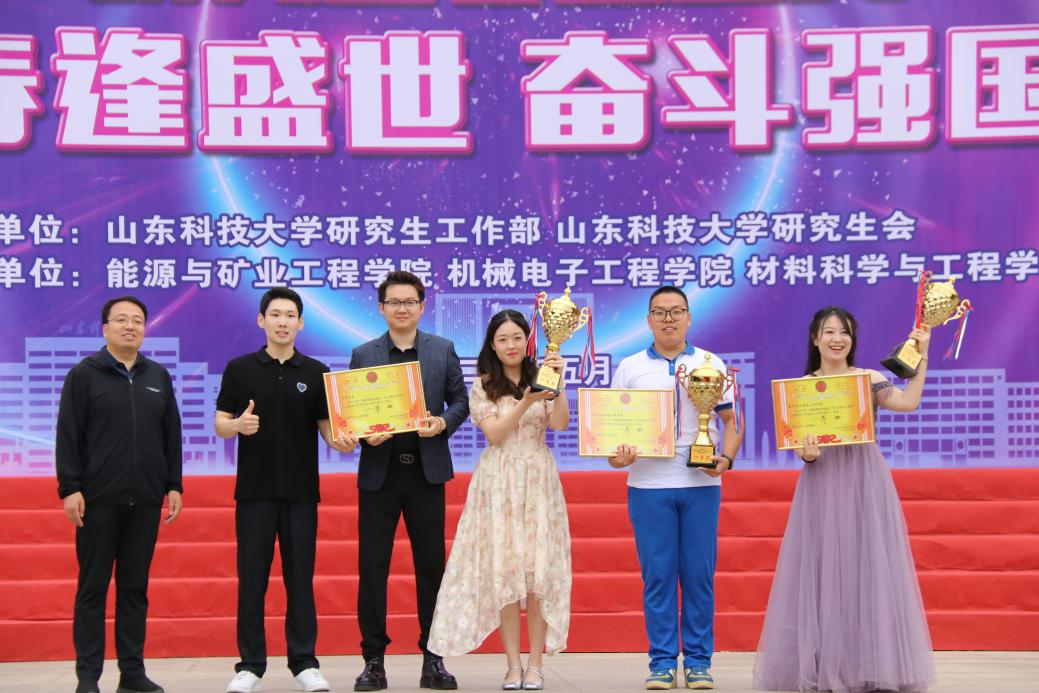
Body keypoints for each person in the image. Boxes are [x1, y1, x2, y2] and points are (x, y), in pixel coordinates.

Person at [753, 307, 936, 693]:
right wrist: (807, 454)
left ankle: (870, 667)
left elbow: (907, 403)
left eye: (845, 332)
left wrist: (922, 358)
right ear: (815, 339)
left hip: (865, 478)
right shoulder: (801, 389)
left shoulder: (868, 379)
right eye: (829, 332)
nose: (837, 339)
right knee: (824, 569)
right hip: (822, 479)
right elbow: (799, 445)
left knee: (866, 568)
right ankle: (824, 667)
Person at [216, 287, 356, 693]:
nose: (282, 321)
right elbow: (221, 423)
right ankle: (250, 665)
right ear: (261, 320)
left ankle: (305, 663)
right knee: (252, 580)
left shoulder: (315, 372)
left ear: (300, 323)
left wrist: (347, 441)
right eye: (275, 314)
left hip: (300, 493)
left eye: (290, 315)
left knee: (300, 579)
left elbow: (329, 431)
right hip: (254, 493)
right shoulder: (240, 369)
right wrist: (237, 426)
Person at [428, 310, 572, 691]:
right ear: (492, 345)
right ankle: (512, 665)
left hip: (538, 478)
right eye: (503, 339)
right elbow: (494, 434)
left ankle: (536, 665)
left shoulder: (544, 375)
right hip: (498, 479)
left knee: (537, 575)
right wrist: (526, 401)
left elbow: (560, 423)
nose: (511, 345)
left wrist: (558, 385)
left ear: (528, 341)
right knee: (506, 572)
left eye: (517, 338)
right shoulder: (484, 385)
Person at [608, 286, 743, 691]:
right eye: (660, 312)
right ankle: (663, 662)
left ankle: (699, 662)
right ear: (648, 320)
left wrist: (726, 459)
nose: (669, 319)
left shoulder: (710, 363)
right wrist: (619, 457)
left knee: (699, 576)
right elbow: (613, 434)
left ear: (689, 317)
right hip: (648, 485)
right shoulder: (630, 367)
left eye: (677, 311)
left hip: (700, 483)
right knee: (659, 579)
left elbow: (732, 422)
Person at [56, 296, 184, 693]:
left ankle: (132, 674)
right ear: (105, 328)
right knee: (92, 589)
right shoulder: (84, 375)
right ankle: (88, 677)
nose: (131, 326)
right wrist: (70, 488)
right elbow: (68, 434)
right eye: (122, 320)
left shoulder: (157, 376)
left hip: (145, 499)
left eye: (138, 321)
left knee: (134, 589)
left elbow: (171, 434)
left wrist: (174, 484)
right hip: (97, 500)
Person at [350, 271, 469, 692]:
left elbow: (461, 401)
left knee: (431, 569)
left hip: (425, 473)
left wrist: (442, 423)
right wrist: (364, 433)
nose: (402, 309)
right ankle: (373, 661)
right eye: (394, 302)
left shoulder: (442, 349)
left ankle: (433, 659)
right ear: (381, 308)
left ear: (422, 306)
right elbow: (352, 411)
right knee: (372, 569)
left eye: (409, 302)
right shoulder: (364, 354)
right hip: (379, 475)